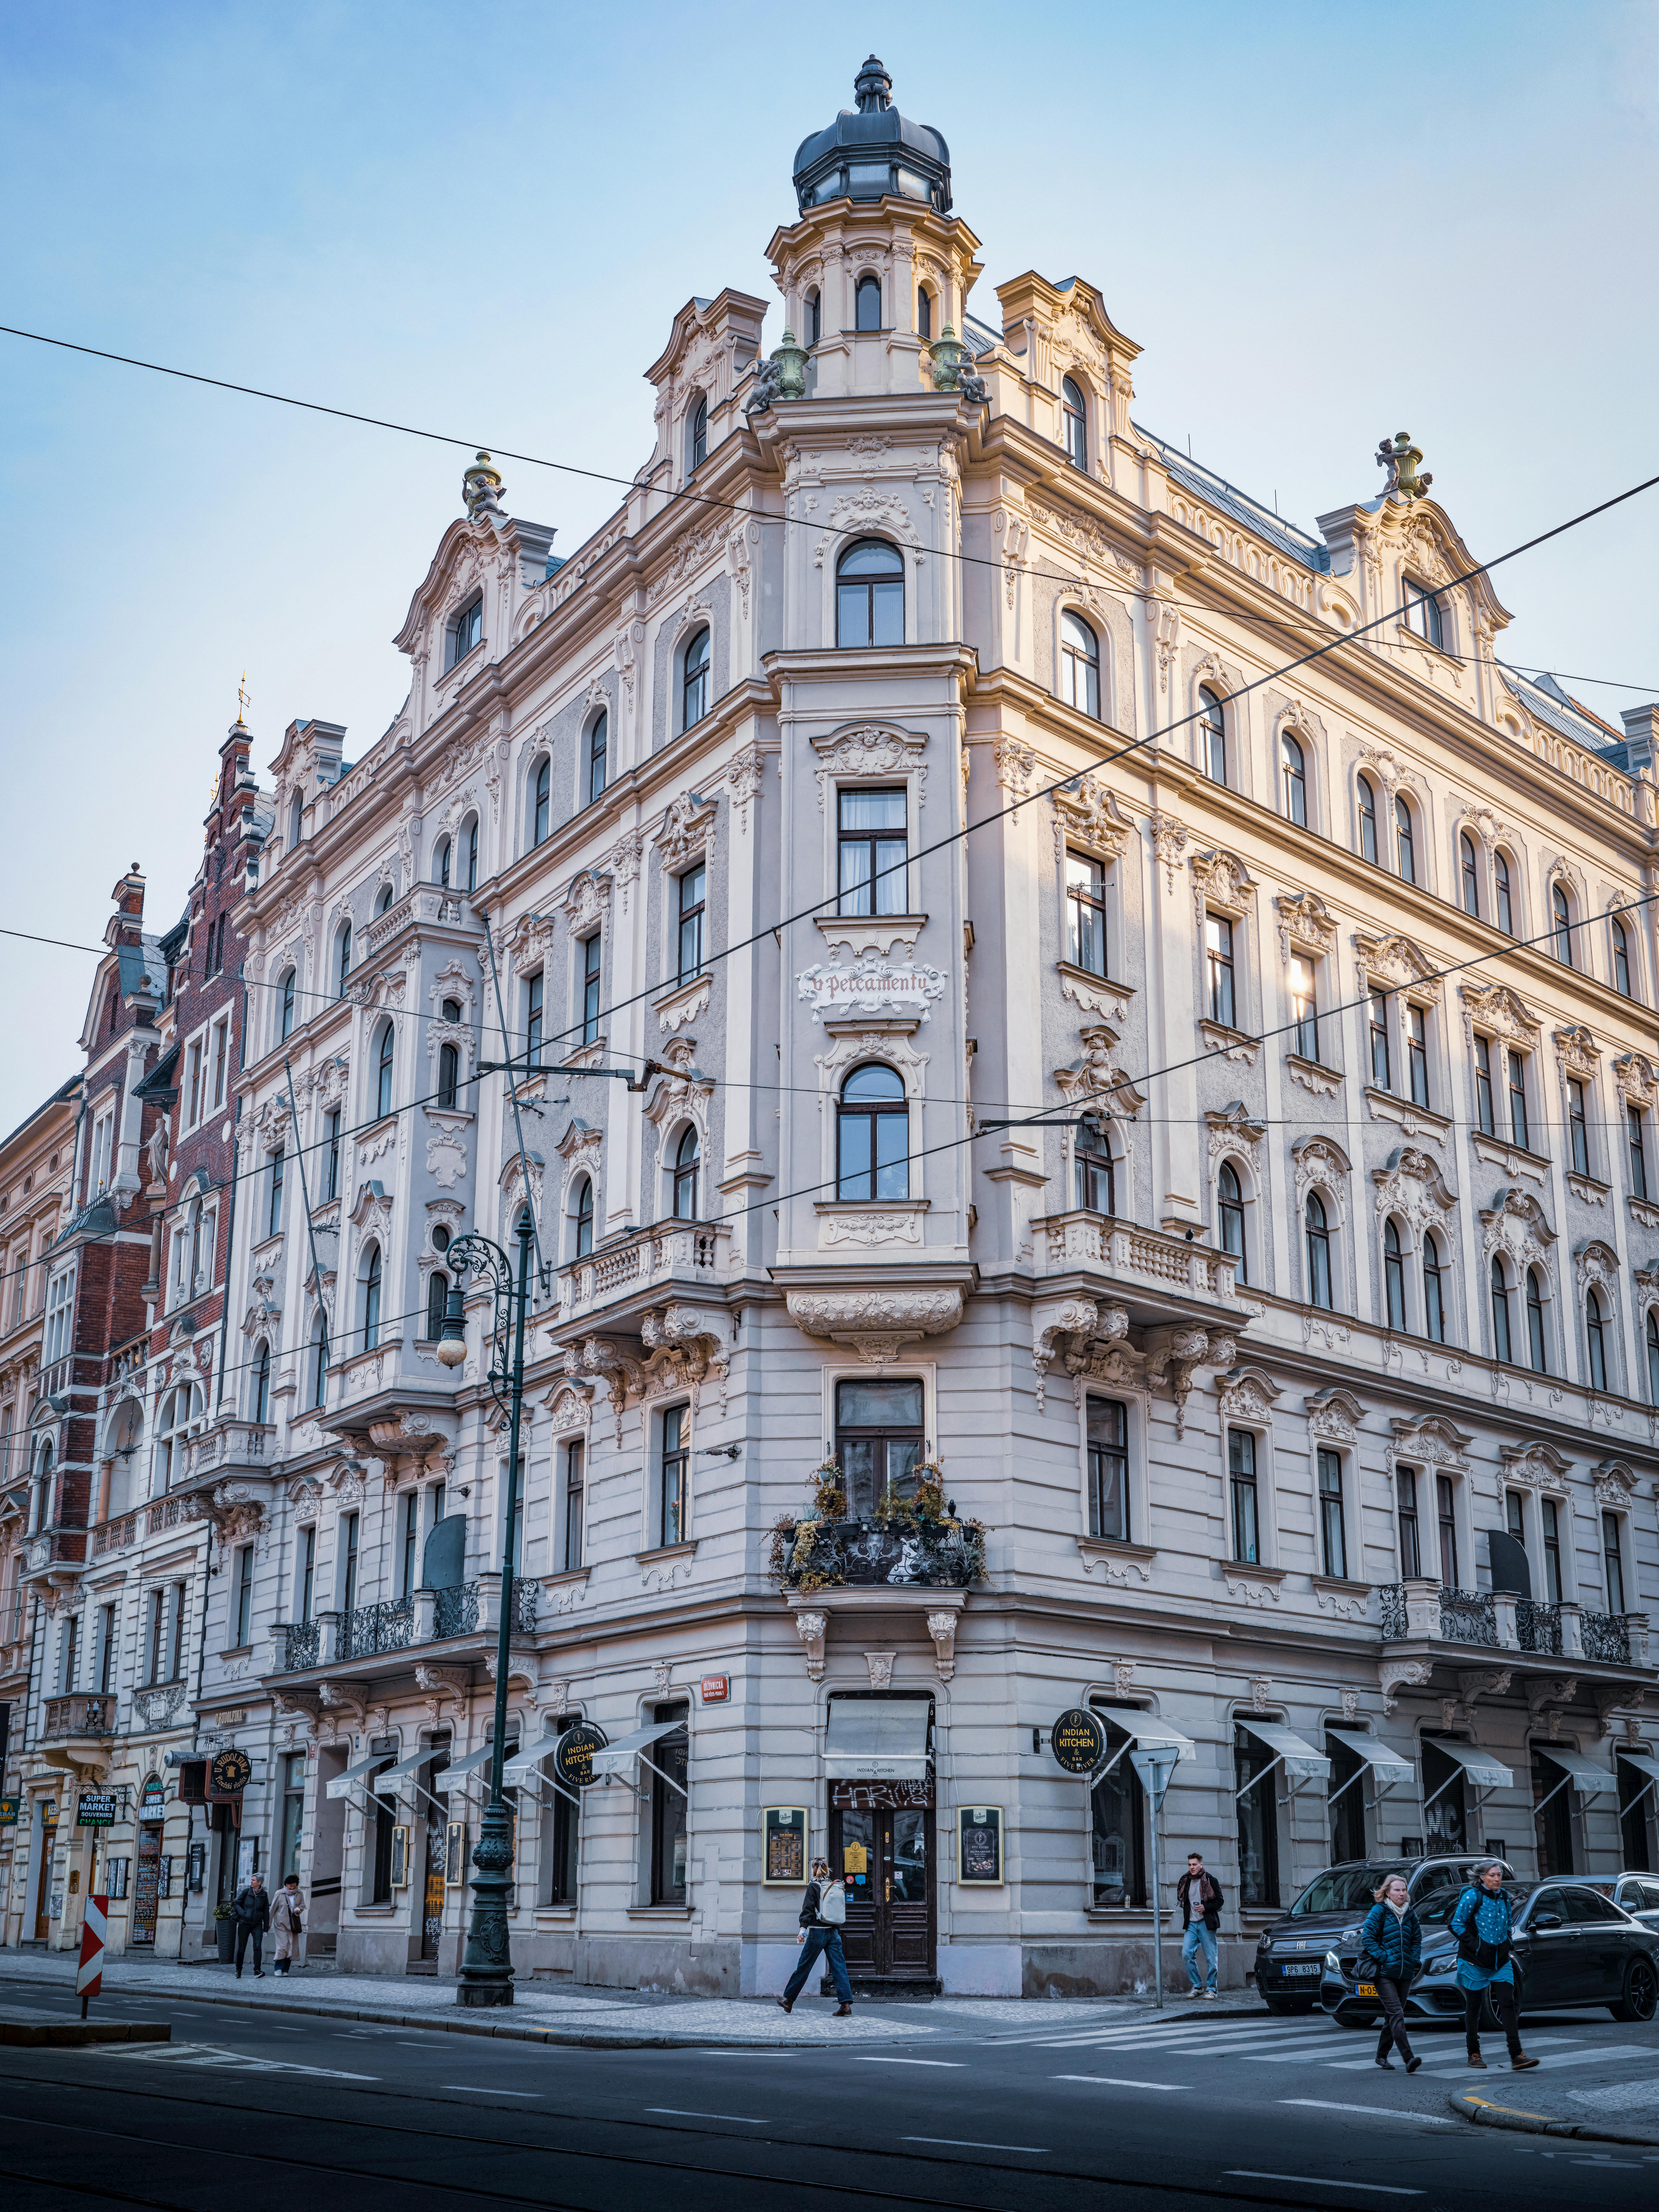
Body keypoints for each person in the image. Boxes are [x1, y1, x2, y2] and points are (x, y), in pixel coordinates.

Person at [1450, 1861, 1537, 2071]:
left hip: (1501, 1960)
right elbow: (1456, 1924)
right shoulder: (1473, 1896)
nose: (1497, 1879)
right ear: (1482, 1877)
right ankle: (1474, 2053)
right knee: (1475, 2006)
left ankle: (1517, 2055)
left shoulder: (1505, 1896)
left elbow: (1508, 1922)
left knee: (1508, 2003)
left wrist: (1508, 1941)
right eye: (1493, 1875)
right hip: (1475, 1961)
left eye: (1499, 1875)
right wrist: (1478, 1947)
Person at [1359, 1875, 1423, 2072]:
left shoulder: (1410, 1913)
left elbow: (1417, 1940)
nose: (1402, 1894)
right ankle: (1408, 2058)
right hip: (1384, 1973)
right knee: (1397, 2013)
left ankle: (1381, 2056)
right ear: (1387, 1892)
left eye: (1404, 1890)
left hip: (1405, 1973)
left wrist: (1413, 1959)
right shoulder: (1380, 1911)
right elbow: (1368, 1938)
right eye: (1397, 1890)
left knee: (1392, 2016)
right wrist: (1385, 1957)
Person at [778, 1856, 853, 2017]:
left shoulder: (814, 1886)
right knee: (839, 1968)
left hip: (818, 1932)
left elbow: (808, 1910)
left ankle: (788, 2001)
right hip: (834, 1932)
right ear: (827, 1870)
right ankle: (846, 2005)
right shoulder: (833, 1885)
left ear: (814, 1870)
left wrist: (802, 1931)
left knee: (804, 1967)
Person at [1177, 1851, 1224, 1998]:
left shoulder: (1210, 1880)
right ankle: (1198, 1986)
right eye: (1190, 1865)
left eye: (1195, 1864)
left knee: (1211, 1958)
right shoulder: (1187, 1881)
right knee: (1187, 1954)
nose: (1192, 1867)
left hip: (1206, 1924)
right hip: (1191, 1924)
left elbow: (1220, 1901)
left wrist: (1206, 1907)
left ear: (1201, 1865)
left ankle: (1212, 1989)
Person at [233, 1871, 271, 1980]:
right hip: (244, 1924)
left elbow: (266, 1912)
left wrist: (266, 1928)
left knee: (258, 1947)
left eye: (254, 1880)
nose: (251, 1882)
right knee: (242, 1948)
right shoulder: (246, 1892)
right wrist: (243, 1913)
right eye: (252, 1880)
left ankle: (257, 1971)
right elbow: (237, 1903)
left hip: (257, 1925)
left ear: (260, 1882)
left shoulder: (264, 1895)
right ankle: (238, 1970)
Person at [271, 1874, 304, 1975]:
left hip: (293, 1925)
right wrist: (268, 1925)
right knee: (282, 1947)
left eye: (294, 1886)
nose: (293, 1888)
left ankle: (286, 1970)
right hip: (280, 1924)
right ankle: (278, 1969)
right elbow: (272, 1910)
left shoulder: (299, 1893)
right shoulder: (279, 1894)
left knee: (291, 1947)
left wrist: (299, 1909)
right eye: (291, 1886)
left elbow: (303, 1905)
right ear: (286, 1885)